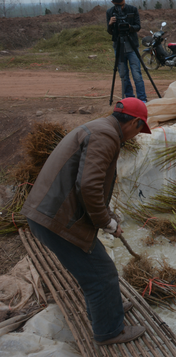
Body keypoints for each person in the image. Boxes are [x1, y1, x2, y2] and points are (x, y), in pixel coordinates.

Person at [21, 98, 152, 346]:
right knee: (101, 274)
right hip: (55, 219)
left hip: (50, 213)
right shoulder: (106, 136)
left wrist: (110, 215)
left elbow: (89, 185)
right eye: (139, 130)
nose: (136, 136)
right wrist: (108, 223)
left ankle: (107, 310)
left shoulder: (100, 127)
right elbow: (89, 187)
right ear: (135, 122)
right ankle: (109, 331)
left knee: (95, 268)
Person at [107, 0, 147, 103]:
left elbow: (138, 26)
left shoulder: (132, 10)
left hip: (132, 45)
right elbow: (110, 32)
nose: (121, 6)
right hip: (119, 47)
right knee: (123, 75)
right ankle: (129, 99)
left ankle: (142, 99)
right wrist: (110, 24)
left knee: (137, 74)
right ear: (112, 2)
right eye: (118, 5)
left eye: (122, 4)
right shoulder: (110, 12)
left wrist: (129, 27)